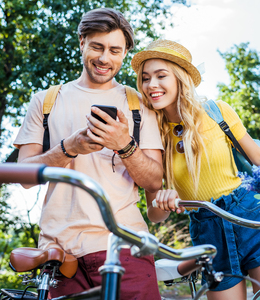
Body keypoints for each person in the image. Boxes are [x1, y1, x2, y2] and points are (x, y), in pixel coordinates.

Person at [13, 8, 163, 299]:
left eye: (115, 50)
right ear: (81, 42)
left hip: (126, 247)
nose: (105, 58)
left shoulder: (138, 103)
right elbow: (24, 177)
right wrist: (68, 148)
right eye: (97, 46)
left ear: (124, 54)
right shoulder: (45, 101)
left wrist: (124, 143)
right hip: (60, 254)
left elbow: (154, 181)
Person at [131, 39, 260, 300]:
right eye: (145, 78)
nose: (151, 85)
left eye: (161, 76)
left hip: (248, 215)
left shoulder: (217, 112)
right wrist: (165, 201)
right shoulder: (152, 136)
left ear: (180, 79)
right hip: (207, 230)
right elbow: (155, 215)